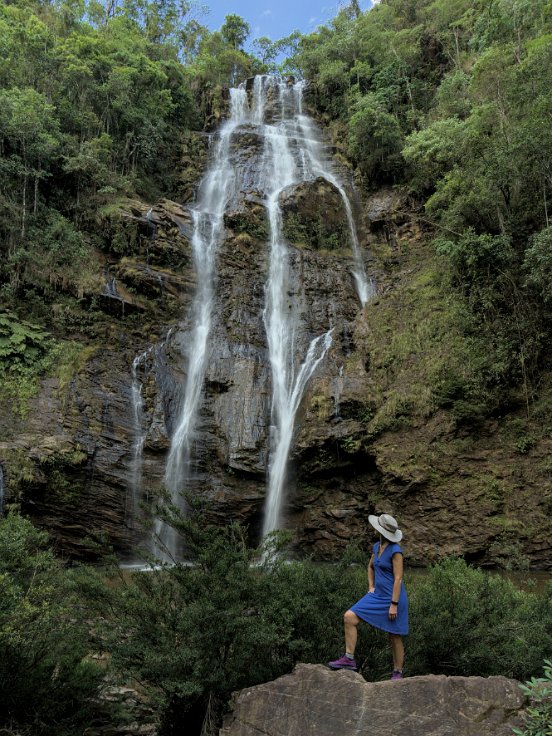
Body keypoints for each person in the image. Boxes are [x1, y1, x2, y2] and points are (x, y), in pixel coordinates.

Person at [328, 513, 408, 680]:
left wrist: (393, 603)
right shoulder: (376, 546)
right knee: (349, 617)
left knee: (394, 635)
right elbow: (371, 567)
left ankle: (397, 672)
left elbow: (398, 578)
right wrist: (370, 586)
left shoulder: (396, 551)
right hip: (377, 595)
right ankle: (349, 659)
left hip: (394, 598)